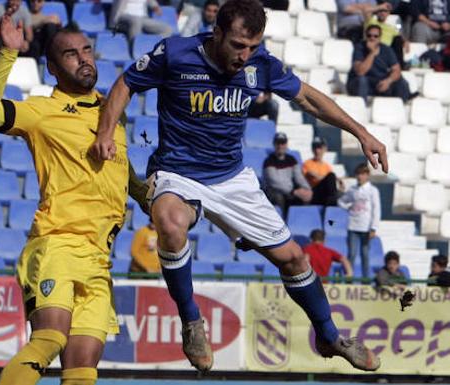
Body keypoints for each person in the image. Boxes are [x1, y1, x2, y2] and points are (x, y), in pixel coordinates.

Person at [91, 0, 386, 373]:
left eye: (252, 47)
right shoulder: (176, 53)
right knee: (168, 221)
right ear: (217, 32)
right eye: (237, 46)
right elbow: (126, 83)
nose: (245, 55)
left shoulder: (261, 63)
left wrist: (361, 133)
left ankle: (329, 335)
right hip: (178, 172)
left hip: (232, 177)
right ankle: (192, 321)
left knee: (294, 258)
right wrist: (105, 131)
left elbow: (308, 98)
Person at [0, 11, 147, 385]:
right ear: (52, 68)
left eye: (87, 50)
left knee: (82, 371)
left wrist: (150, 199)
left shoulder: (110, 112)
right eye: (71, 54)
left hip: (99, 259)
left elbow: (122, 172)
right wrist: (8, 53)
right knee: (50, 338)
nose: (84, 59)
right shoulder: (43, 112)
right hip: (58, 245)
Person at [338, 163, 380, 281]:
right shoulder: (352, 190)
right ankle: (349, 281)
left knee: (365, 255)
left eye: (362, 174)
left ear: (367, 175)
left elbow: (376, 209)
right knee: (351, 254)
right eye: (358, 174)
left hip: (366, 227)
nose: (359, 177)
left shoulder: (373, 190)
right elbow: (341, 201)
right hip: (353, 226)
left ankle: (365, 281)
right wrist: (349, 207)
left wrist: (374, 227)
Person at [347, 25, 411, 102]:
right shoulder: (359, 48)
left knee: (401, 82)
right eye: (369, 35)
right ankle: (361, 108)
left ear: (380, 38)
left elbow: (397, 70)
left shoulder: (387, 50)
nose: (372, 38)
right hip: (361, 82)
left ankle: (400, 107)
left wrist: (388, 81)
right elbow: (360, 72)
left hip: (379, 82)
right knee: (362, 80)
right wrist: (372, 53)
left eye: (375, 36)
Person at [263, 132, 312, 215]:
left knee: (304, 196)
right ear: (274, 144)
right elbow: (275, 183)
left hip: (290, 191)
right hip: (275, 191)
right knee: (279, 197)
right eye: (278, 143)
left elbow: (299, 177)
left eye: (283, 143)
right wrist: (293, 191)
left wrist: (307, 190)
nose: (280, 146)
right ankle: (281, 222)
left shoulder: (292, 160)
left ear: (286, 144)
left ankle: (300, 222)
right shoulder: (268, 161)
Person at [364, 0, 408, 69]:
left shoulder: (391, 28)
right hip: (371, 49)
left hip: (386, 53)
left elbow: (399, 35)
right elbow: (366, 11)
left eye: (385, 11)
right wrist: (380, 6)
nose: (382, 13)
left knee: (397, 40)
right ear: (377, 12)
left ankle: (400, 67)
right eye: (380, 11)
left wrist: (405, 41)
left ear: (388, 13)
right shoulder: (372, 22)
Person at [303, 137, 339, 206]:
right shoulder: (307, 164)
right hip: (314, 193)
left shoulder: (327, 166)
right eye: (315, 148)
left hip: (325, 193)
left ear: (324, 149)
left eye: (319, 148)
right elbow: (312, 175)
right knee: (331, 177)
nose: (317, 151)